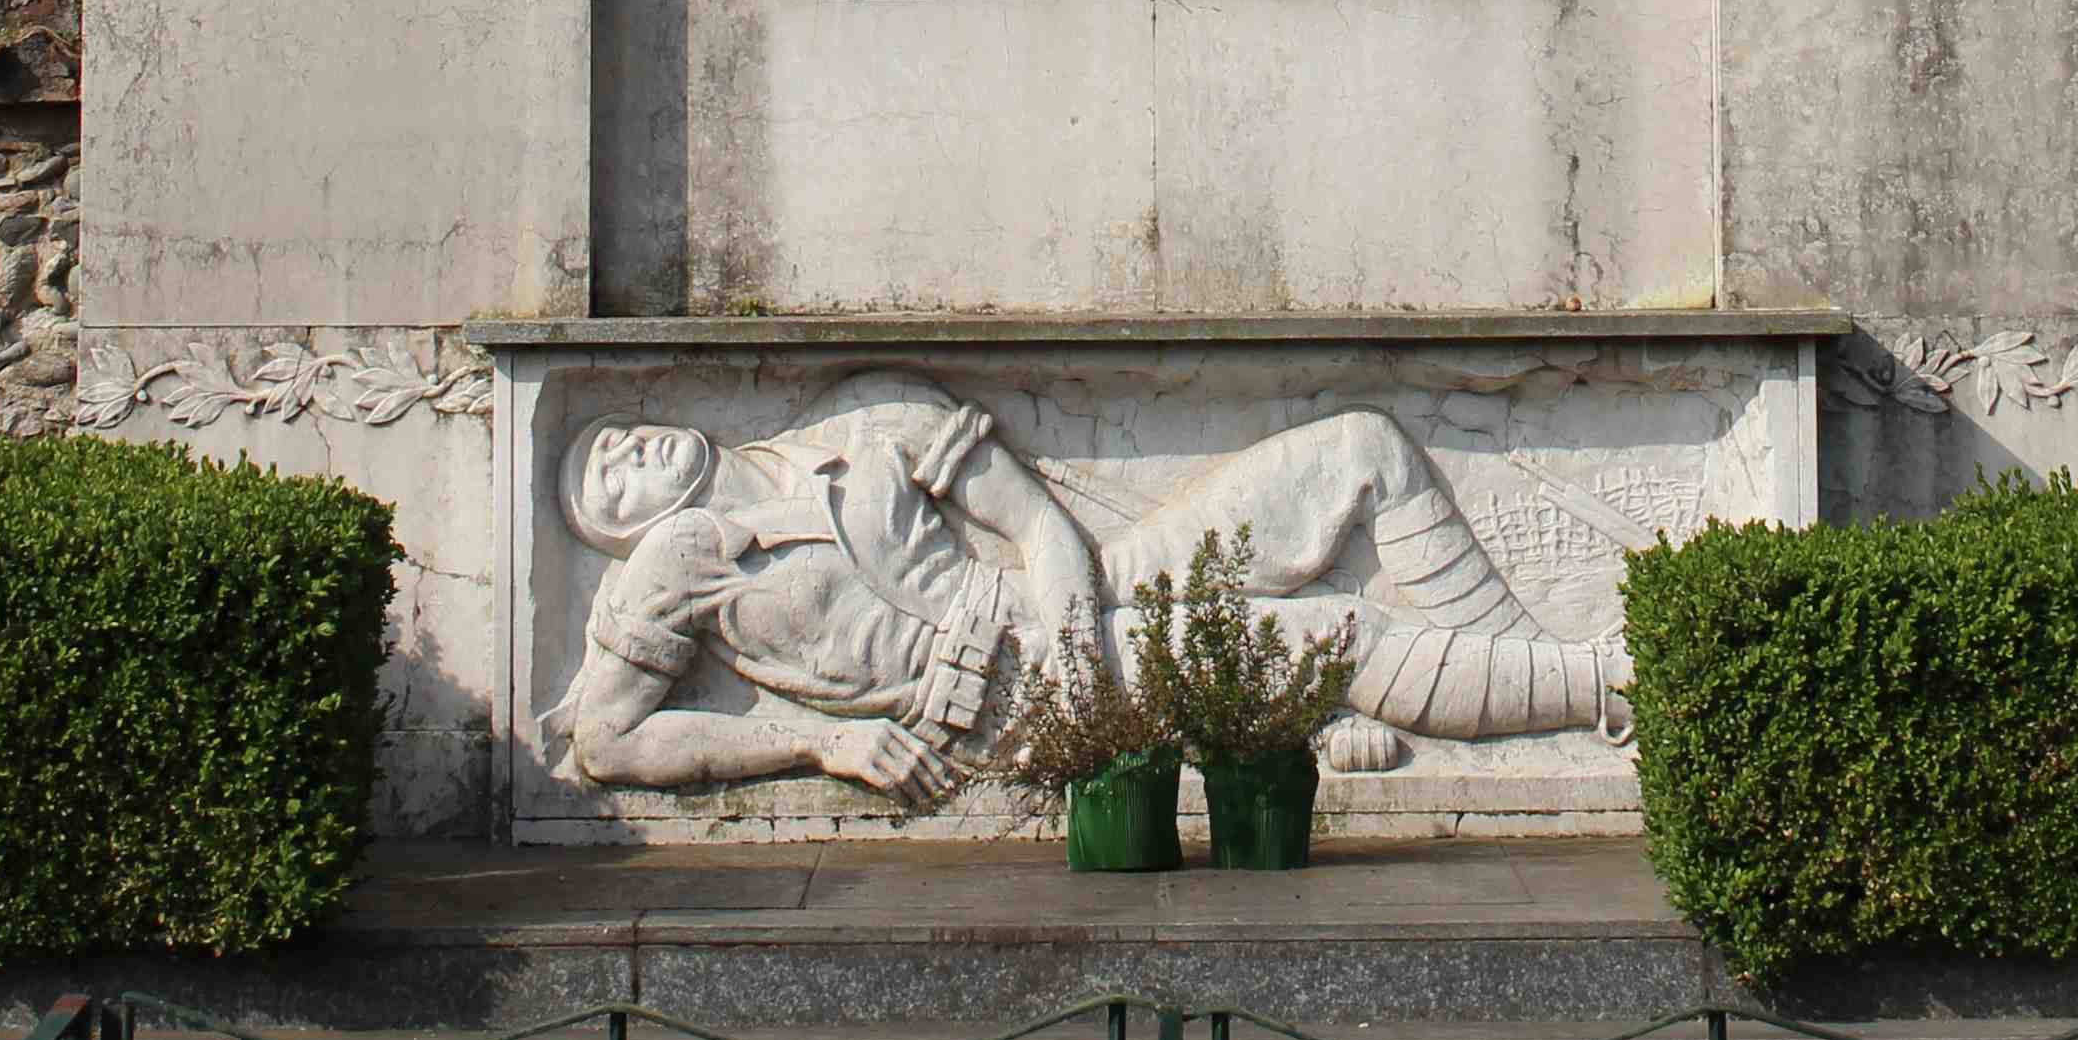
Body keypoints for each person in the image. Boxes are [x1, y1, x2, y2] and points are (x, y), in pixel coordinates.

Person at [553, 374, 1625, 803]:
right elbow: (603, 743)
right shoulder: (678, 560)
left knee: (1364, 444)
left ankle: (1530, 670)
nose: (627, 448)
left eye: (619, 436)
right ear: (618, 528)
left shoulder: (862, 423)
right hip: (995, 694)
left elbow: (1032, 524)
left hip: (1073, 609)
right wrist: (816, 744)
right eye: (604, 473)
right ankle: (1602, 687)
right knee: (1339, 632)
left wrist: (1083, 670)